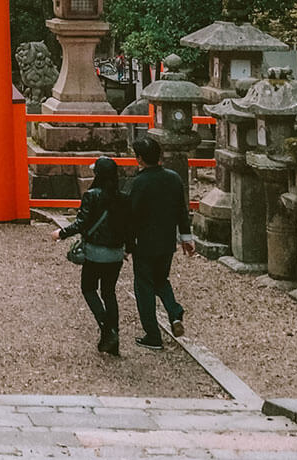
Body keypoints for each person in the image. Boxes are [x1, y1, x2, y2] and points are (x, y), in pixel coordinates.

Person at [57, 156, 130, 355]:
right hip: (115, 253)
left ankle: (107, 329)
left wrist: (61, 233)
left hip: (95, 252)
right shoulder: (123, 197)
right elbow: (129, 227)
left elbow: (81, 222)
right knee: (109, 292)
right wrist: (127, 248)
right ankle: (114, 339)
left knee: (88, 288)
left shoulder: (91, 195)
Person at [127, 136, 195, 350]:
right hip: (167, 240)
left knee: (144, 286)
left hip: (144, 241)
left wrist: (126, 243)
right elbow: (181, 210)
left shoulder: (139, 183)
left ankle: (153, 334)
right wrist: (185, 236)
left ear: (139, 159)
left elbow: (132, 215)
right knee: (161, 279)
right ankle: (174, 312)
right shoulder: (173, 178)